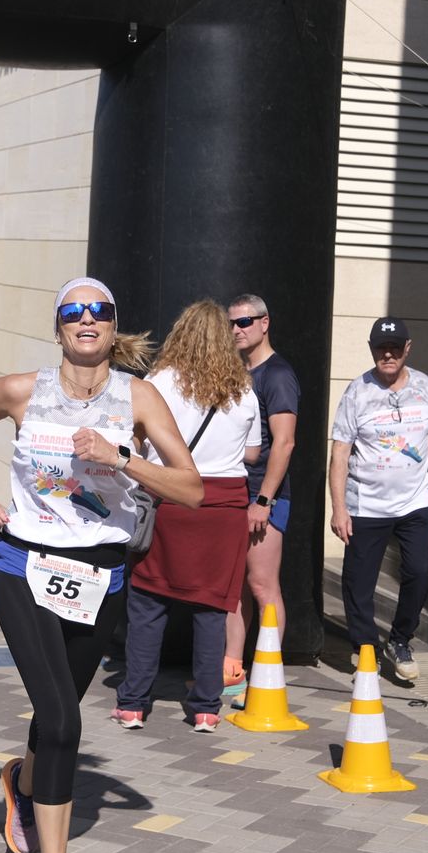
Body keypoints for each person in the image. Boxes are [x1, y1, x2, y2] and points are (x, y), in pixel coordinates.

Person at [0, 277, 201, 853]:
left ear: (113, 326)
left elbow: (192, 489)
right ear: (58, 326)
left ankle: (20, 782)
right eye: (74, 311)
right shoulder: (19, 392)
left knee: (54, 713)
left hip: (100, 577)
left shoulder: (138, 400)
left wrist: (122, 459)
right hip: (24, 566)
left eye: (100, 311)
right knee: (62, 720)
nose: (87, 319)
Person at [112, 300, 260, 733]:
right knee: (212, 610)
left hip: (170, 498)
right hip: (224, 510)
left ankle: (134, 703)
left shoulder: (158, 382)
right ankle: (205, 709)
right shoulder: (243, 390)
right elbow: (252, 453)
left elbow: (135, 439)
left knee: (147, 604)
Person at [328, 316, 428, 682]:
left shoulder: (424, 386)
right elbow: (340, 452)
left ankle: (399, 640)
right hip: (367, 504)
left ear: (407, 349)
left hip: (416, 502)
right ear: (372, 350)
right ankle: (364, 646)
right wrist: (339, 507)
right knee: (358, 581)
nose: (388, 354)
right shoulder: (357, 392)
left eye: (395, 348)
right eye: (381, 348)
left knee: (420, 572)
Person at [222, 293, 298, 696]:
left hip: (263, 498)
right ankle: (234, 676)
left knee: (263, 586)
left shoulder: (278, 375)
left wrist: (263, 501)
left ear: (265, 323)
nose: (237, 329)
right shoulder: (238, 372)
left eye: (245, 322)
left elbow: (284, 443)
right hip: (235, 492)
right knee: (234, 587)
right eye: (232, 323)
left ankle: (267, 679)